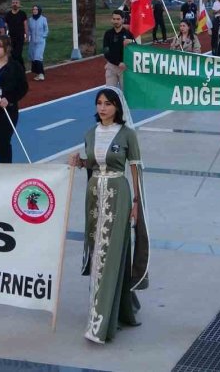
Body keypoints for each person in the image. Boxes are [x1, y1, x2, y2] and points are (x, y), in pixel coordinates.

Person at [67, 87, 149, 344]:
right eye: (99, 103)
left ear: (117, 107)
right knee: (97, 252)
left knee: (109, 254)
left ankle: (100, 321)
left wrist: (137, 202)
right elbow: (93, 165)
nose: (102, 108)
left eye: (108, 104)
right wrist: (79, 162)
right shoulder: (90, 134)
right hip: (94, 197)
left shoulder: (127, 135)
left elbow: (135, 169)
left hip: (119, 195)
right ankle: (120, 307)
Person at [0, 36, 28, 163]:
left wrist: (9, 99)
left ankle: (7, 167)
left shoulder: (15, 66)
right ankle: (3, 165)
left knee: (4, 140)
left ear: (7, 48)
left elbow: (23, 88)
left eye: (0, 46)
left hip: (8, 109)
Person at [102, 10, 135, 88]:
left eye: (118, 19)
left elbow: (136, 48)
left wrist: (132, 41)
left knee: (125, 93)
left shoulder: (128, 34)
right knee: (110, 92)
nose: (115, 21)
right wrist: (118, 63)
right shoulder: (108, 34)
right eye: (114, 19)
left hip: (124, 69)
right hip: (111, 67)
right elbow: (106, 53)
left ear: (123, 20)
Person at [27, 5, 49, 81]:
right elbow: (29, 30)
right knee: (33, 57)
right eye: (33, 9)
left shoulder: (43, 19)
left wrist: (43, 36)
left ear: (39, 10)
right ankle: (37, 73)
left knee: (38, 57)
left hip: (40, 42)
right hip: (32, 42)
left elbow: (46, 29)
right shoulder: (30, 20)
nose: (34, 11)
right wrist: (28, 38)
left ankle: (41, 74)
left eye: (36, 9)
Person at [3, 0, 28, 65]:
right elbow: (6, 26)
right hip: (11, 37)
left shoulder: (22, 14)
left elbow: (25, 25)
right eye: (13, 3)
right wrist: (6, 36)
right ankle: (17, 68)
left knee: (18, 54)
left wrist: (26, 36)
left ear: (19, 4)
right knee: (12, 54)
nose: (15, 4)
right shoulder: (8, 14)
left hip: (20, 37)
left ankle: (21, 68)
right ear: (11, 4)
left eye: (16, 3)